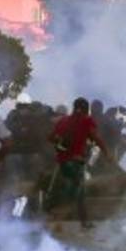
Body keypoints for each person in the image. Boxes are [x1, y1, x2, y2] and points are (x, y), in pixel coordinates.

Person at [50, 97, 111, 229]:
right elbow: (95, 137)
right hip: (75, 162)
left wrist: (62, 145)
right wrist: (107, 152)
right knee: (78, 190)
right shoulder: (86, 120)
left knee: (76, 188)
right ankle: (61, 213)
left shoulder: (63, 121)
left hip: (63, 162)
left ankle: (80, 219)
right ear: (86, 109)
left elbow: (51, 138)